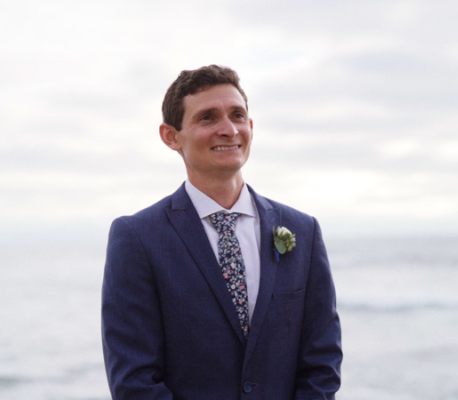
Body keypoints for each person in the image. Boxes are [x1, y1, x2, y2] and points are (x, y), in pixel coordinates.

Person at [101, 65, 342, 399]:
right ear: (171, 136)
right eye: (208, 118)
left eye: (237, 115)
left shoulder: (303, 230)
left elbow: (322, 361)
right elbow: (134, 380)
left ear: (251, 127)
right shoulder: (137, 237)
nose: (228, 129)